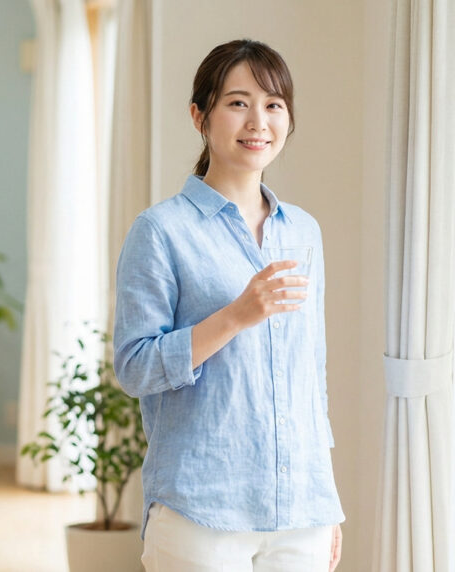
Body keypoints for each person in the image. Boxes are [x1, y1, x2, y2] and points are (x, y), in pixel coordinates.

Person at [113, 39, 345, 572]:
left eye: (274, 105)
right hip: (201, 514)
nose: (258, 121)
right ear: (201, 115)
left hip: (300, 516)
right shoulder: (160, 231)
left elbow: (312, 377)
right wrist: (237, 315)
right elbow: (134, 367)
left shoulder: (303, 231)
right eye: (238, 103)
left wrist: (325, 502)